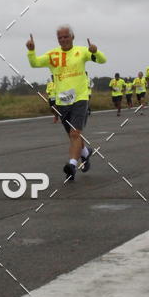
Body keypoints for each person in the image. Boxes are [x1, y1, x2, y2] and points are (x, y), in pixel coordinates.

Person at [27, 26, 106, 181]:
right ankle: (85, 153)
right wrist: (31, 50)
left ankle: (71, 165)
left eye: (65, 36)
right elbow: (34, 63)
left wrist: (95, 51)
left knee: (75, 133)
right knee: (73, 136)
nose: (63, 39)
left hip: (80, 98)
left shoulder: (82, 51)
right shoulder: (52, 54)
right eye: (60, 37)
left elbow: (103, 60)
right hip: (63, 100)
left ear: (72, 37)